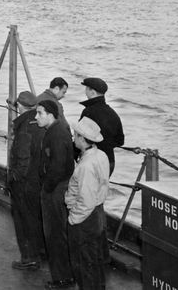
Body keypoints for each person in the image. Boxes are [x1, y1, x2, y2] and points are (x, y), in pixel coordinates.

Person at [65, 118, 110, 290]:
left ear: (83, 139)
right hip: (97, 213)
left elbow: (85, 201)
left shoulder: (86, 165)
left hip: (85, 218)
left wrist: (73, 219)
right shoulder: (101, 156)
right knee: (94, 260)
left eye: (75, 135)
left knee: (83, 263)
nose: (73, 138)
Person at [37, 99, 75, 290]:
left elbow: (58, 166)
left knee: (55, 234)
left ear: (50, 115)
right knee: (57, 232)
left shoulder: (57, 134)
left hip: (56, 190)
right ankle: (65, 274)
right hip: (58, 187)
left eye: (40, 113)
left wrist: (47, 188)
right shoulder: (55, 130)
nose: (36, 117)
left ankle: (62, 278)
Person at [9, 91, 46, 270]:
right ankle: (41, 251)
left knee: (23, 221)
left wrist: (13, 179)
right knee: (36, 218)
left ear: (20, 106)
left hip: (24, 184)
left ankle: (29, 257)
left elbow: (22, 161)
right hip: (39, 181)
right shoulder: (41, 124)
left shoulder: (23, 129)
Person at [78, 77, 124, 176]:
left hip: (93, 162)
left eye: (86, 89)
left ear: (92, 92)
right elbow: (120, 141)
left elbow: (81, 136)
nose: (85, 92)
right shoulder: (113, 114)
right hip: (109, 162)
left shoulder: (88, 112)